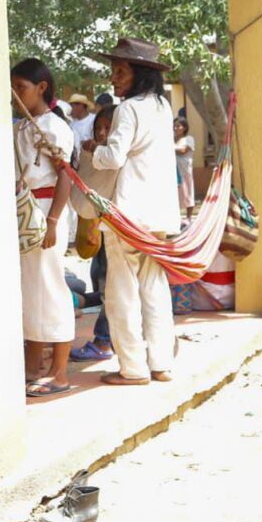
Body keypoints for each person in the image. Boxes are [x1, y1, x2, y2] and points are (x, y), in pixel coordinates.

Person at [80, 38, 180, 386]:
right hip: (159, 214)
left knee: (121, 292)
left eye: (119, 71)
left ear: (139, 74)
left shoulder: (128, 109)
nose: (113, 78)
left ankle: (133, 368)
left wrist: (94, 150)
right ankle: (161, 363)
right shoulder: (163, 108)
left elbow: (114, 158)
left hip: (128, 214)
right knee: (154, 288)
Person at [11, 59, 77, 396]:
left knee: (51, 288)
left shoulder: (53, 127)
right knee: (30, 291)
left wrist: (53, 221)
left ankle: (60, 372)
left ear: (42, 88)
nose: (15, 95)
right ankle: (32, 367)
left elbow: (65, 173)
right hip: (26, 212)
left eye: (20, 88)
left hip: (47, 211)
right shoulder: (24, 126)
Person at [71, 105, 117, 362]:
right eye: (98, 128)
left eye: (107, 128)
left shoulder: (116, 157)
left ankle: (104, 340)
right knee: (101, 281)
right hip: (98, 229)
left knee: (109, 285)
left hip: (115, 229)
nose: (101, 133)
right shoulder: (95, 154)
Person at [174, 118, 196, 221]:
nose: (175, 128)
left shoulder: (189, 139)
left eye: (178, 126)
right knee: (176, 192)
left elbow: (183, 150)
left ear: (185, 127)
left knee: (188, 191)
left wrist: (170, 148)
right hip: (174, 170)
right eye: (174, 126)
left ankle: (189, 217)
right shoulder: (171, 139)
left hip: (185, 170)